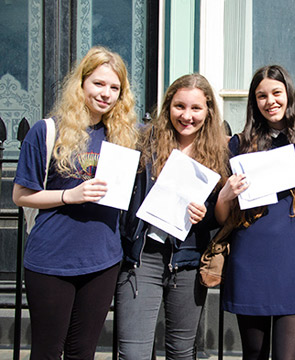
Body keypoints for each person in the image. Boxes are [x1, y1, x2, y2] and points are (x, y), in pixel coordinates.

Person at [12, 46, 138, 359]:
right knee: (47, 351)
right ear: (81, 83)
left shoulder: (124, 134)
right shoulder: (47, 131)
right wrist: (70, 195)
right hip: (52, 259)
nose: (106, 94)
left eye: (114, 88)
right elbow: (20, 195)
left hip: (102, 260)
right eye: (98, 84)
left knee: (83, 352)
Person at [215, 65, 295, 360]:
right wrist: (225, 194)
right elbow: (221, 218)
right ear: (254, 102)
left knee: (288, 357)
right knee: (253, 354)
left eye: (276, 93)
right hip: (251, 257)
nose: (270, 101)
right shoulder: (239, 145)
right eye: (261, 96)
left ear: (289, 95)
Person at [115, 74, 229, 359]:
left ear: (208, 111)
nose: (187, 116)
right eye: (179, 106)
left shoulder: (219, 152)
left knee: (181, 352)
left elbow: (220, 217)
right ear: (167, 107)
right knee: (133, 353)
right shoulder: (143, 142)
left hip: (188, 262)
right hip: (143, 258)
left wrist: (204, 215)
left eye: (196, 109)